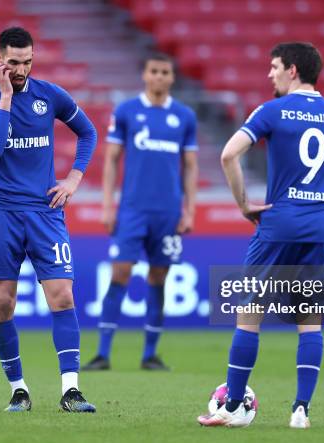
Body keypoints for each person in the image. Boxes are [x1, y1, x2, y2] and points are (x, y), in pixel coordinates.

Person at [198, 42, 324, 428]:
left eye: (274, 67)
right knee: (310, 320)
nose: (270, 74)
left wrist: (243, 204)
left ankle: (233, 407)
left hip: (278, 224)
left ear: (293, 70)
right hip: (318, 228)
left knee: (249, 313)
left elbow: (228, 155)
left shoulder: (271, 111)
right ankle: (301, 410)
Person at [0, 27, 97, 413]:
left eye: (27, 62)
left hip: (45, 213)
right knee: (3, 305)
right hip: (2, 212)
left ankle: (71, 390)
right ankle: (18, 390)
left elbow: (87, 132)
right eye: (13, 62)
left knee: (62, 295)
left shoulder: (51, 95)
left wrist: (74, 178)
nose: (21, 69)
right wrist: (7, 96)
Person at [83, 53, 199, 371]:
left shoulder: (184, 116)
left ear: (172, 77)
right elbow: (110, 160)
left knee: (159, 275)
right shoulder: (127, 111)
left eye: (165, 71)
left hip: (168, 212)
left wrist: (189, 210)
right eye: (154, 71)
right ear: (145, 75)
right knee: (120, 270)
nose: (159, 76)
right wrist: (108, 206)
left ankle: (150, 353)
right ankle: (103, 353)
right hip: (132, 209)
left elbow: (190, 167)